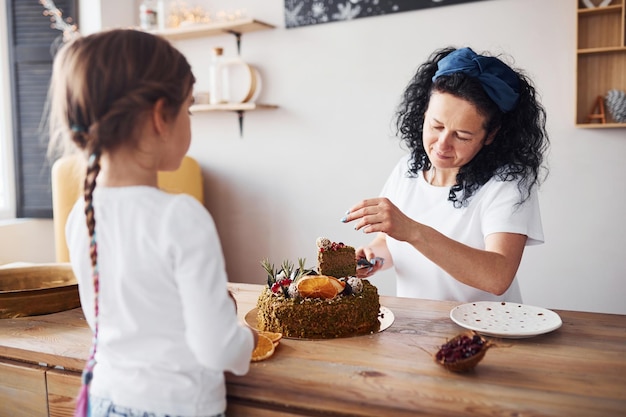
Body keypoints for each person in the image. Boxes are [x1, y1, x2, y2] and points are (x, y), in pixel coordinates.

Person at [47, 29, 257, 417]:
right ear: (161, 116)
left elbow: (122, 320)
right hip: (177, 406)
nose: (189, 121)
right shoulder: (180, 216)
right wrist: (246, 337)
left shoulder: (82, 213)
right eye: (188, 109)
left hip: (105, 399)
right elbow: (216, 348)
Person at [343, 46, 549, 303]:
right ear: (423, 113)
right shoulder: (407, 168)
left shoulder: (508, 182)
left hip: (487, 334)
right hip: (415, 333)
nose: (441, 144)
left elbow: (497, 276)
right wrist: (373, 257)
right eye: (435, 125)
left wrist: (413, 230)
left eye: (462, 136)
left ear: (491, 135)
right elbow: (388, 242)